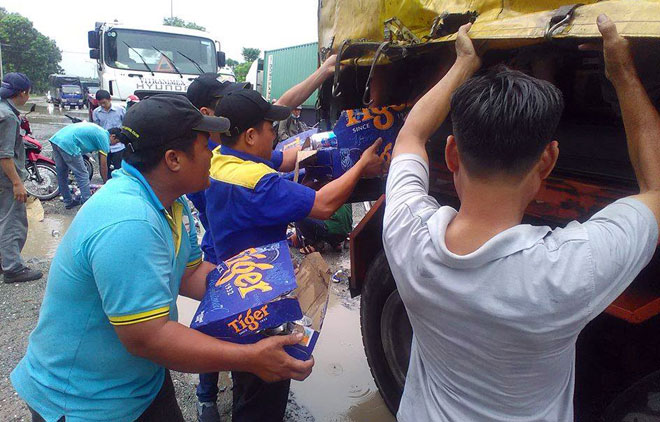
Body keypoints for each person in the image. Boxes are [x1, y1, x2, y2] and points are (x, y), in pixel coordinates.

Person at [382, 19, 660, 422]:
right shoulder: (570, 270)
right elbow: (655, 189)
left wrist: (463, 64)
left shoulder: (406, 231)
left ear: (452, 154)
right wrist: (623, 73)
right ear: (548, 161)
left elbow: (410, 135)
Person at [11, 94, 314, 422]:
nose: (213, 154)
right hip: (86, 401)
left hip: (140, 382)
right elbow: (150, 338)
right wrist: (251, 357)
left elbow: (190, 274)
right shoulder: (130, 221)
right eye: (205, 146)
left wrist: (266, 288)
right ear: (173, 159)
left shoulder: (173, 202)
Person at [199, 89, 383, 422]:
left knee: (246, 379)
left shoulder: (221, 160)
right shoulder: (258, 183)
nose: (276, 135)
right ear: (250, 136)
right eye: (270, 128)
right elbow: (324, 206)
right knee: (264, 390)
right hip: (262, 300)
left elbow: (284, 158)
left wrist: (322, 146)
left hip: (234, 287)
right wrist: (361, 165)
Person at [188, 57, 338, 422]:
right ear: (209, 113)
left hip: (227, 251)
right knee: (246, 347)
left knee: (227, 333)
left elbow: (279, 126)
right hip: (240, 263)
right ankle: (208, 396)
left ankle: (225, 391)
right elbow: (320, 205)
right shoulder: (219, 164)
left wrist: (322, 74)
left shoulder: (221, 154)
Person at [0, 72, 43, 284]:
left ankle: (4, 261)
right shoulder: (8, 117)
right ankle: (13, 268)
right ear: (23, 93)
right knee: (13, 222)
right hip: (6, 179)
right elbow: (4, 155)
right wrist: (17, 183)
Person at [49, 122, 110, 209]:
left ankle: (68, 201)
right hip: (68, 143)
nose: (111, 145)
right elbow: (103, 165)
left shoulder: (99, 130)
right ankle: (87, 204)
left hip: (56, 139)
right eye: (116, 142)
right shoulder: (104, 138)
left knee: (62, 173)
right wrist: (106, 183)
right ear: (113, 136)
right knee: (83, 174)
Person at [92, 89, 125, 178]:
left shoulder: (120, 110)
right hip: (104, 146)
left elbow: (126, 126)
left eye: (104, 102)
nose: (103, 105)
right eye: (100, 103)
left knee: (120, 170)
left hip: (118, 146)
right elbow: (96, 129)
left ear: (109, 99)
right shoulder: (96, 112)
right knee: (104, 168)